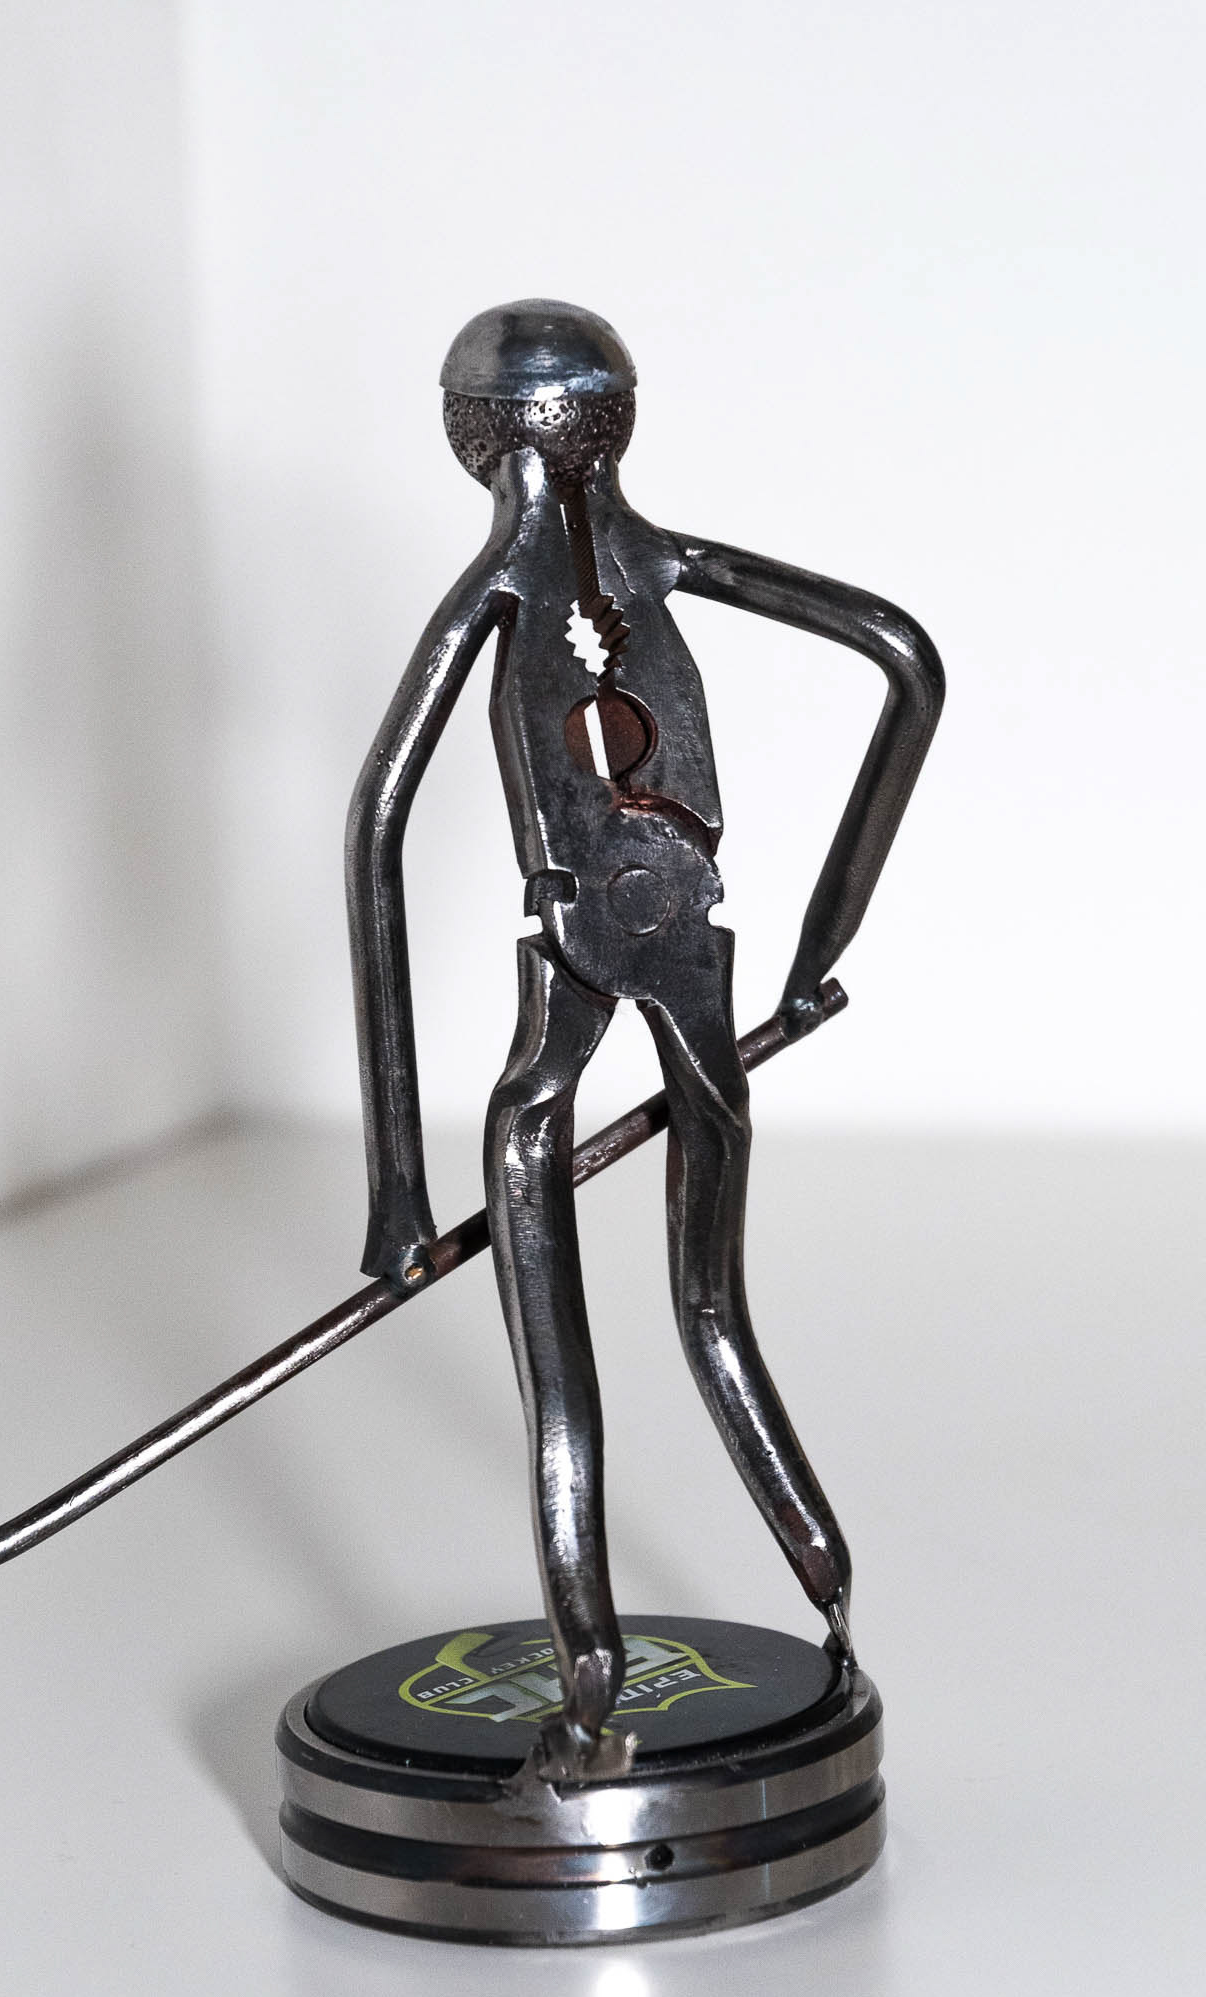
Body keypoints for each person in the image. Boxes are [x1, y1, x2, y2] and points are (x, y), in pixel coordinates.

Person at [346, 299, 944, 1781]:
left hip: (663, 945)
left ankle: (598, 1686)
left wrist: (400, 1191)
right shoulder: (669, 568)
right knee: (710, 1310)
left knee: (580, 1362)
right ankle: (814, 1603)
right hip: (657, 956)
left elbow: (375, 838)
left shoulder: (491, 595)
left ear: (470, 437)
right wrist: (819, 946)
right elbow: (904, 660)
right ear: (617, 419)